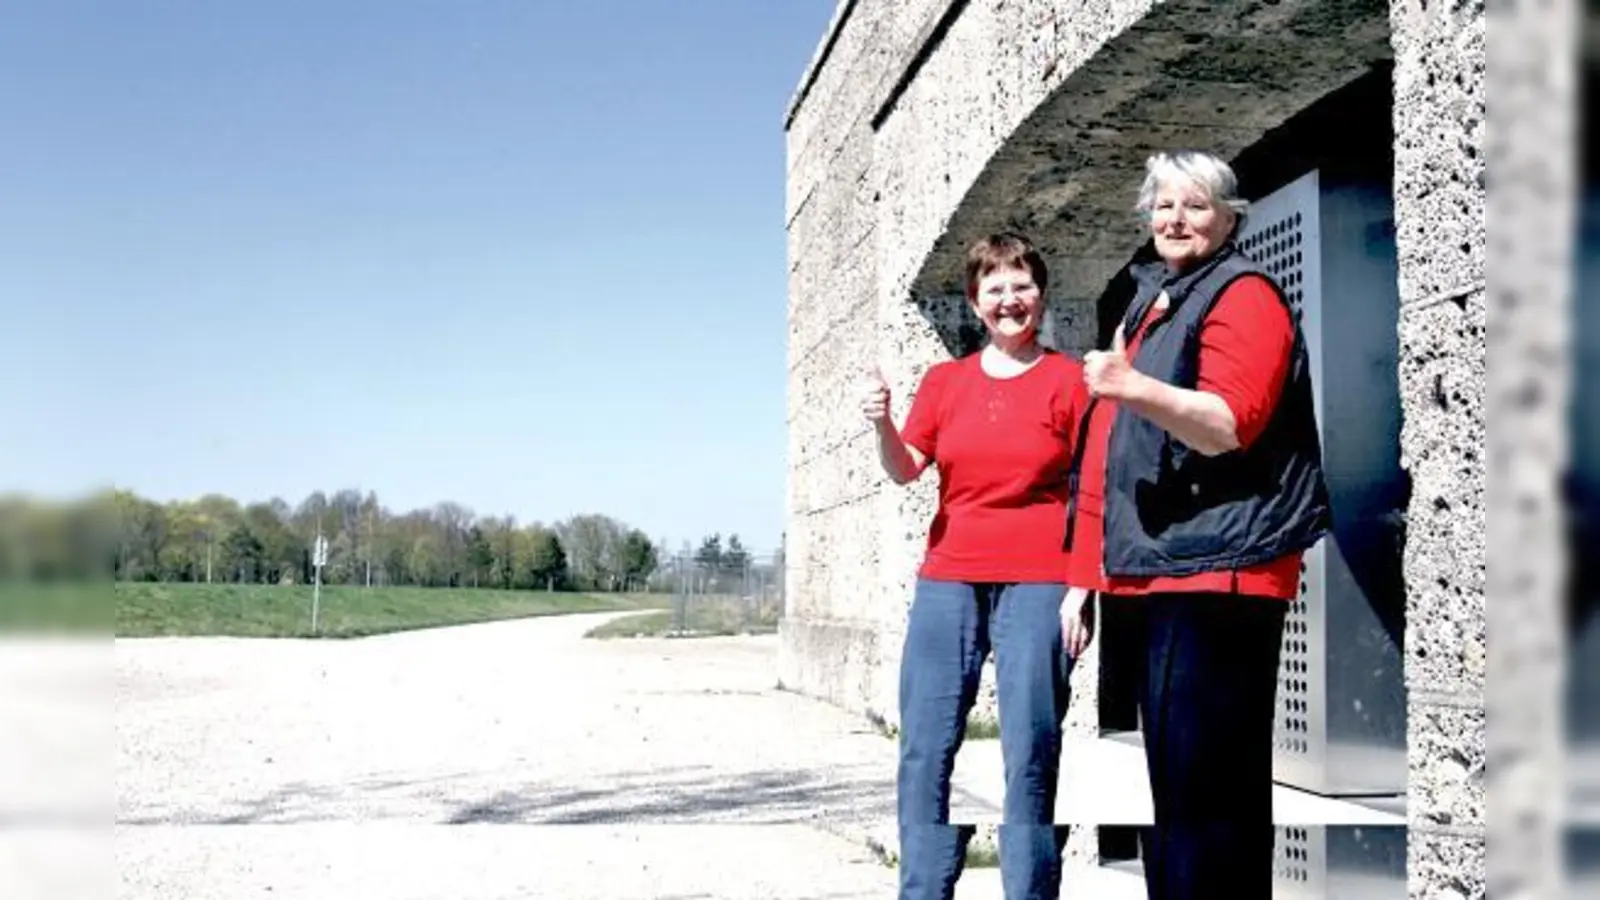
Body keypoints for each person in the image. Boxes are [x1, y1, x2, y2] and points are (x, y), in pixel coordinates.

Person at [1062, 150, 1333, 899]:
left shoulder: (1242, 293)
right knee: (1182, 796)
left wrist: (1131, 383)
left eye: (1196, 206)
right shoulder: (1156, 298)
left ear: (1230, 217)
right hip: (1164, 567)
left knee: (1209, 799)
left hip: (1221, 571)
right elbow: (1110, 452)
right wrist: (1083, 579)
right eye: (1163, 206)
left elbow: (1227, 423)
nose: (1176, 220)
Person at [861, 232, 1095, 900]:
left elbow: (1096, 488)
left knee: (1030, 748)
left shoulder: (1068, 381)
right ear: (974, 302)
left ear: (1040, 296)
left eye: (1021, 286)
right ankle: (923, 889)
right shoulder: (945, 382)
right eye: (994, 288)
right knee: (924, 748)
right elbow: (906, 468)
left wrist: (1081, 587)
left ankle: (1028, 891)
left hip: (1040, 578)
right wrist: (881, 424)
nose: (1010, 300)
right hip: (949, 577)